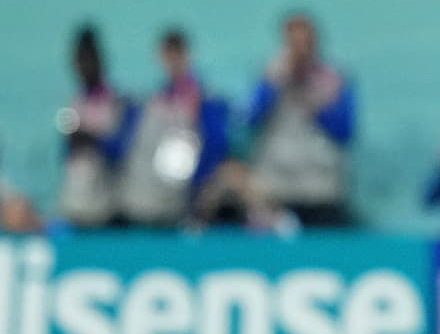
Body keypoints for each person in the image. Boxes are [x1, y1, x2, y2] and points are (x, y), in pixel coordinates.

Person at [247, 12, 355, 227]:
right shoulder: (270, 75)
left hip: (321, 188)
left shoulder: (334, 80)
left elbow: (345, 131)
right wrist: (272, 85)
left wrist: (317, 104)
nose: (300, 50)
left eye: (305, 43)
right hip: (276, 187)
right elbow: (251, 120)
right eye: (294, 43)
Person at [118, 29, 228, 227]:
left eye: (177, 54)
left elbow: (215, 144)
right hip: (152, 197)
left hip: (185, 199)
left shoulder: (201, 98)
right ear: (161, 57)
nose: (173, 60)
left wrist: (195, 187)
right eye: (168, 54)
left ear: (187, 55)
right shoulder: (157, 100)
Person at [58, 25, 134, 228]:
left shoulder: (116, 103)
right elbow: (65, 156)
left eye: (88, 60)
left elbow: (122, 151)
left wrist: (91, 139)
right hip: (76, 206)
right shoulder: (74, 104)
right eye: (79, 61)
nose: (83, 67)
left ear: (99, 61)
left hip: (106, 208)